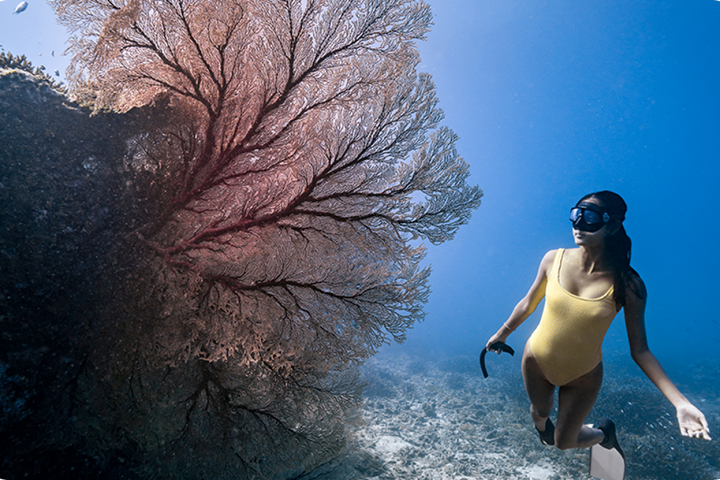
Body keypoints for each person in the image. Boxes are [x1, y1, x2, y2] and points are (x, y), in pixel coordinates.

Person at [486, 191, 711, 454]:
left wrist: (680, 403)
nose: (579, 224)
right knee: (539, 412)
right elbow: (528, 302)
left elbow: (640, 350)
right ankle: (543, 428)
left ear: (613, 225)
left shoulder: (628, 285)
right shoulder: (552, 259)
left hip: (583, 378)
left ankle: (604, 433)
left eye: (590, 217)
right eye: (576, 215)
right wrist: (501, 334)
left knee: (564, 442)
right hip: (536, 361)